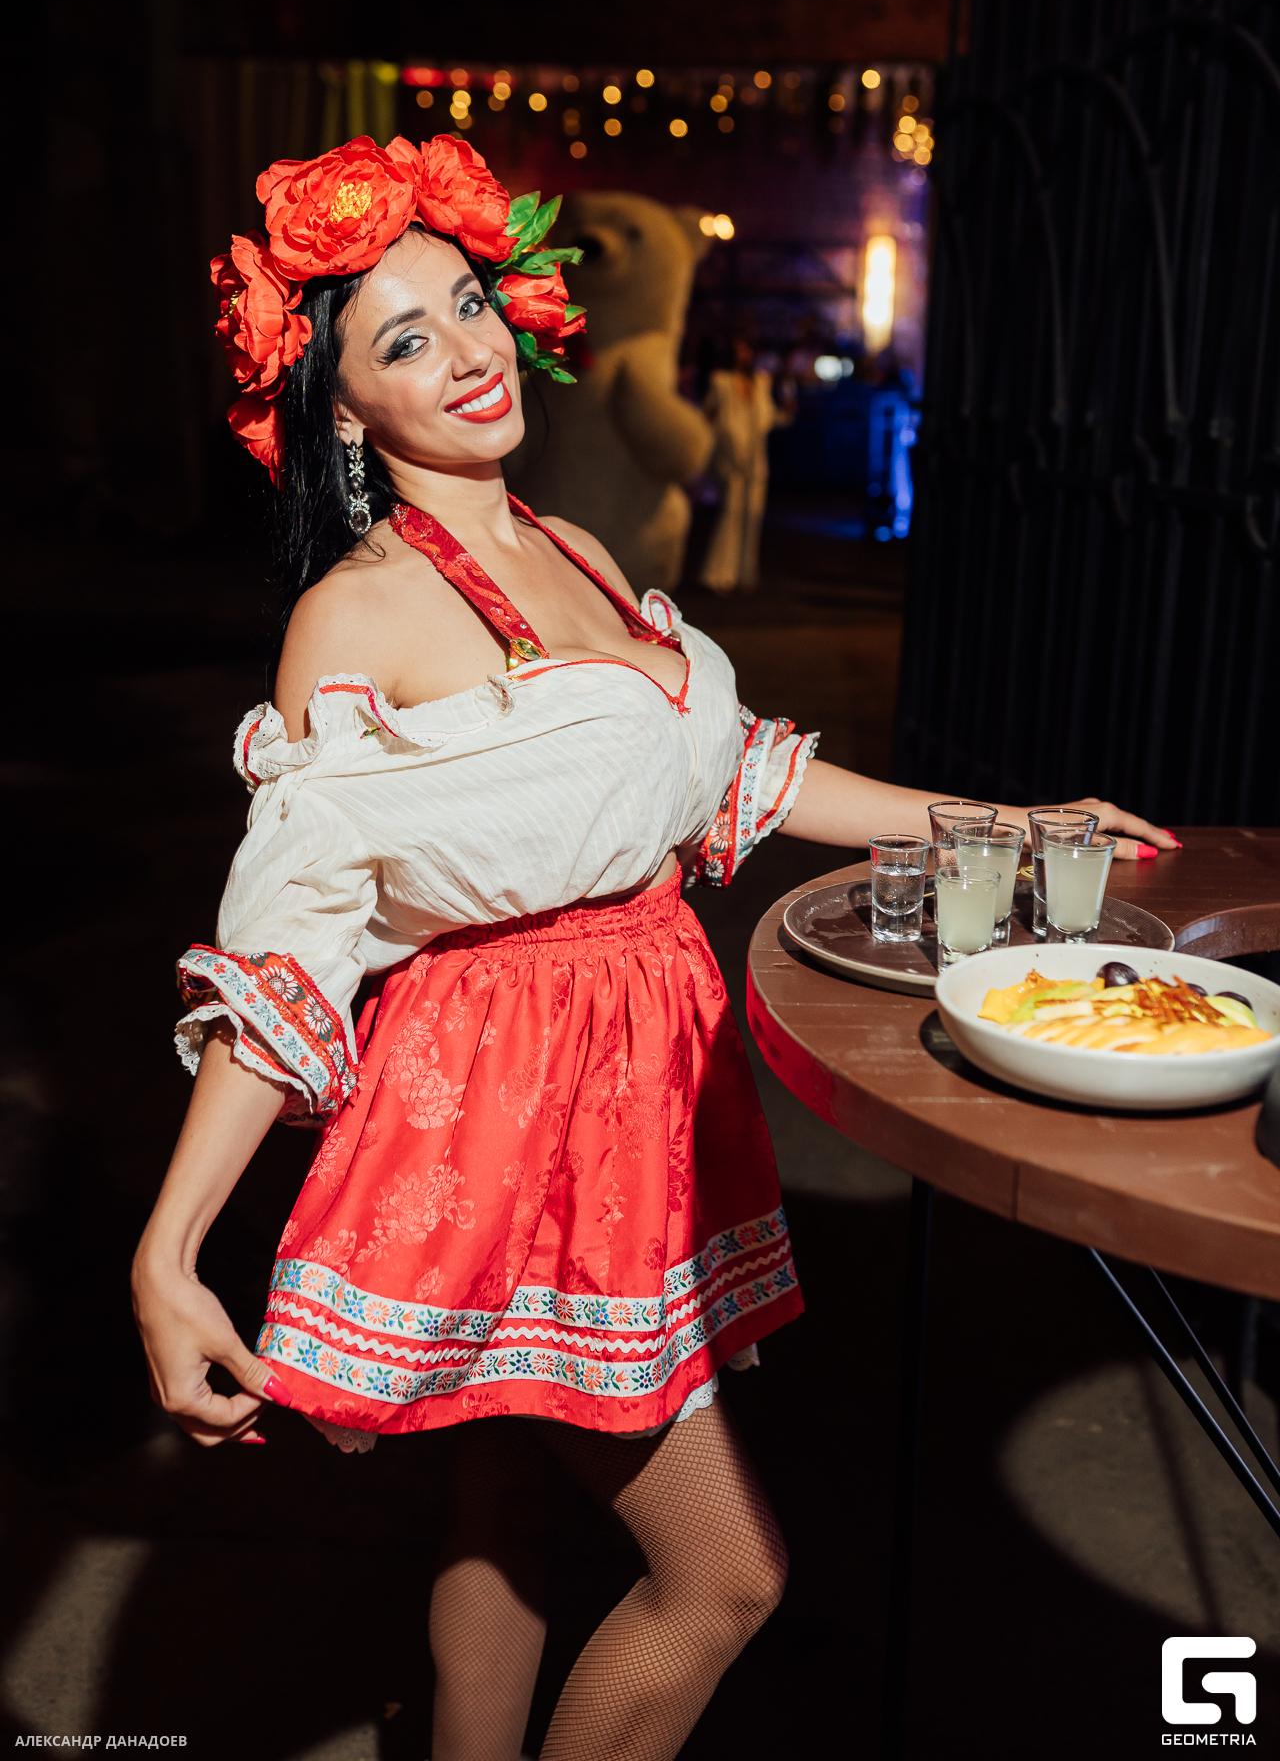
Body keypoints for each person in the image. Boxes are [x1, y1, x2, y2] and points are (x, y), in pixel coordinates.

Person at [130, 133, 1177, 1761]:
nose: (466, 350)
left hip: (631, 1074)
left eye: (469, 304)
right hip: (510, 1102)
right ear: (340, 410)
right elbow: (292, 944)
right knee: (726, 1577)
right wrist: (171, 1247)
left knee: (503, 1502)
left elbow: (740, 771)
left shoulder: (577, 549)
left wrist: (1014, 825)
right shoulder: (360, 610)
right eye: (404, 339)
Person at [700, 335, 791, 594]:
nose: (742, 356)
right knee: (730, 514)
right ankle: (718, 575)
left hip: (754, 461)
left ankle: (743, 573)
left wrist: (787, 413)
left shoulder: (761, 382)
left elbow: (767, 417)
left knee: (752, 516)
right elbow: (709, 415)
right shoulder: (721, 382)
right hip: (731, 460)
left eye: (746, 350)